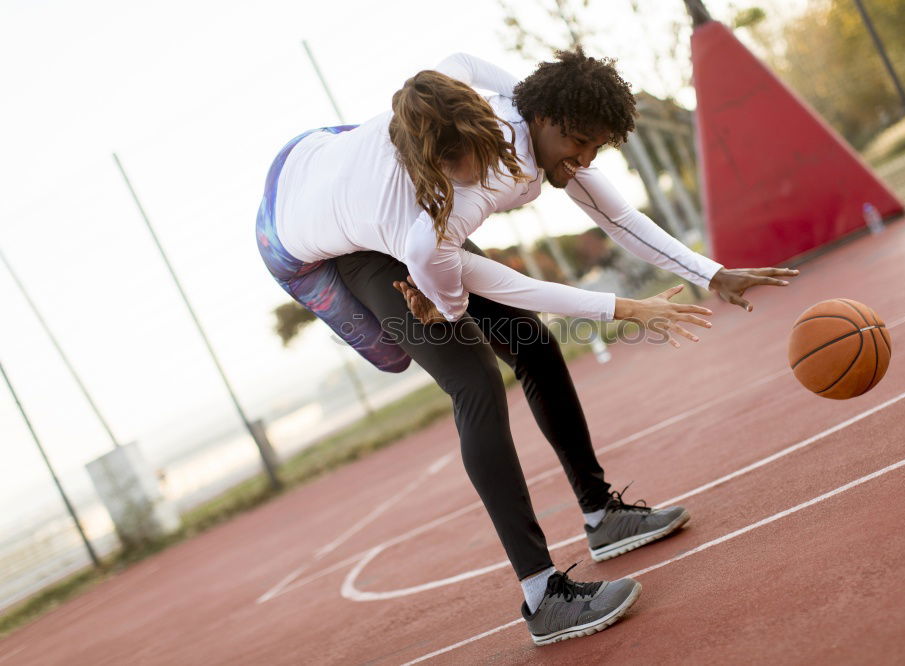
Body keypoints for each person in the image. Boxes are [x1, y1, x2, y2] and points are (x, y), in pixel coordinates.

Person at [256, 49, 798, 646]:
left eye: (597, 145)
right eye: (580, 143)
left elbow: (607, 207)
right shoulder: (448, 203)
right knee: (474, 379)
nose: (587, 159)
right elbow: (474, 275)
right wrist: (622, 308)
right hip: (316, 237)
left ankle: (601, 515)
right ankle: (543, 596)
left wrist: (711, 272)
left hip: (340, 159)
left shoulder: (531, 119)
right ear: (544, 122)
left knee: (532, 346)